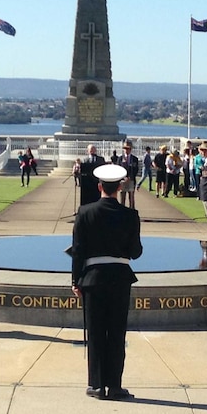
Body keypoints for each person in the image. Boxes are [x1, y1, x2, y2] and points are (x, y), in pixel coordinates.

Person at [70, 163, 142, 401]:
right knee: (117, 332)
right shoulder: (130, 215)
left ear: (99, 186)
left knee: (96, 331)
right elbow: (136, 252)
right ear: (120, 187)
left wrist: (75, 280)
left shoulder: (85, 212)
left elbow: (78, 251)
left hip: (93, 278)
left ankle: (97, 384)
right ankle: (115, 385)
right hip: (120, 278)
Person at [117, 140, 139, 209]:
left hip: (131, 181)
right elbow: (118, 169)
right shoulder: (120, 158)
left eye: (128, 149)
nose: (126, 150)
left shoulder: (134, 159)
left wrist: (130, 177)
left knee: (131, 198)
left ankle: (132, 213)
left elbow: (135, 170)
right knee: (122, 198)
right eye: (125, 148)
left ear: (131, 149)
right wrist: (123, 178)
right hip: (123, 181)